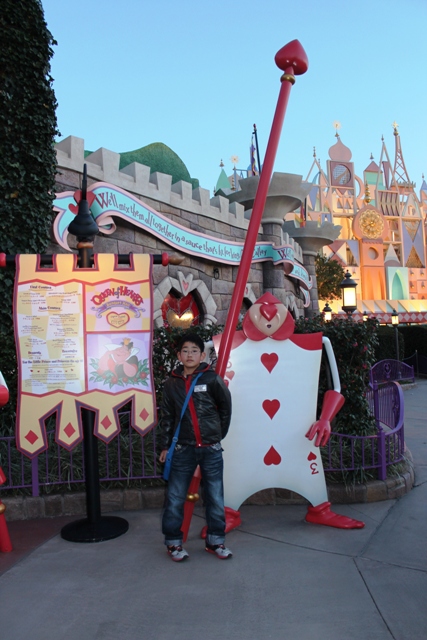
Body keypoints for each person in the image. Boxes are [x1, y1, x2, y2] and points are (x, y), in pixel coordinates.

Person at [158, 332, 232, 561]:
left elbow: (225, 408)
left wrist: (216, 435)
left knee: (215, 496)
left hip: (211, 449)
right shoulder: (171, 384)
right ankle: (173, 543)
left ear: (202, 355)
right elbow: (167, 416)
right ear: (179, 355)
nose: (189, 355)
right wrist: (165, 446)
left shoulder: (212, 379)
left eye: (194, 351)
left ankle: (215, 540)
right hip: (183, 448)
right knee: (175, 496)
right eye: (185, 351)